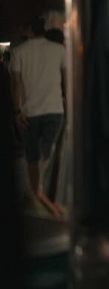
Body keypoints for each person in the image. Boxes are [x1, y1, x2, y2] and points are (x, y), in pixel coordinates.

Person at [10, 16, 66, 217]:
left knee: (32, 155)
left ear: (28, 30)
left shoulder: (18, 52)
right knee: (47, 151)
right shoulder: (59, 50)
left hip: (30, 111)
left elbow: (16, 83)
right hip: (55, 109)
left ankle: (35, 194)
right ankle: (39, 194)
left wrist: (17, 110)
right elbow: (66, 78)